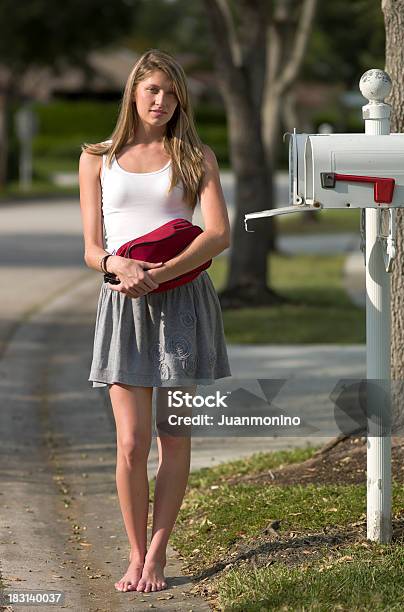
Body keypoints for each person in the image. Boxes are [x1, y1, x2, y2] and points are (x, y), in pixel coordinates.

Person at [78, 48, 231, 594]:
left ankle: (159, 556)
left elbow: (218, 234)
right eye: (153, 90)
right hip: (123, 304)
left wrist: (162, 271)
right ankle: (134, 554)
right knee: (130, 443)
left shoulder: (196, 157)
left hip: (183, 303)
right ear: (134, 93)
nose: (162, 101)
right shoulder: (98, 157)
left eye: (171, 92)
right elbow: (93, 249)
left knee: (175, 435)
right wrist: (119, 264)